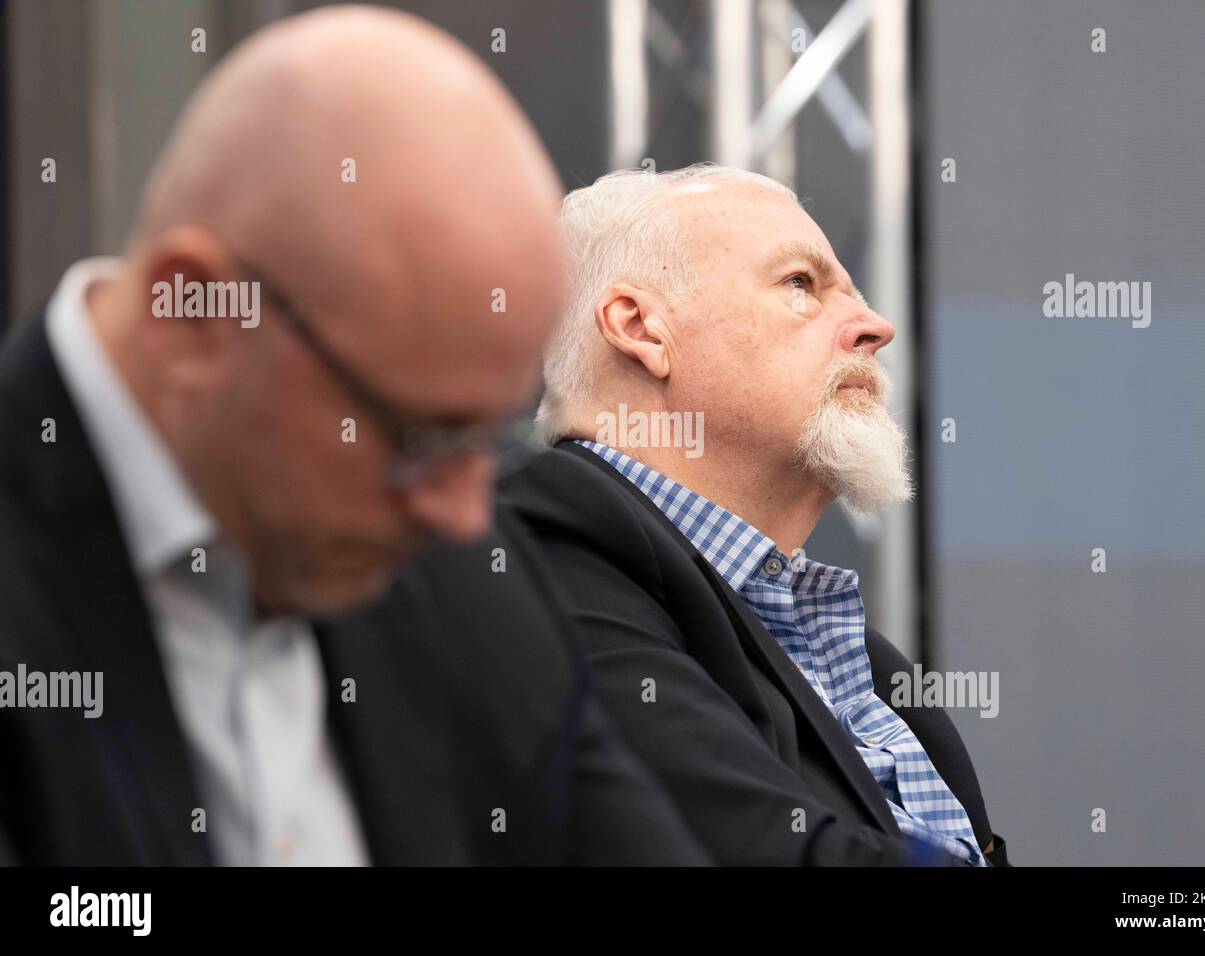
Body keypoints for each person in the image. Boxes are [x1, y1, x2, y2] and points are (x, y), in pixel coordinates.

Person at [0, 7, 707, 866]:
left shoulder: (476, 596)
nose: (465, 514)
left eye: (490, 438)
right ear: (193, 317)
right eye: (419, 439)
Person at [502, 164, 1009, 866]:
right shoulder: (547, 554)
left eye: (854, 293)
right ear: (640, 327)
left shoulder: (872, 668)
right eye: (802, 284)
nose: (875, 326)